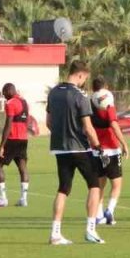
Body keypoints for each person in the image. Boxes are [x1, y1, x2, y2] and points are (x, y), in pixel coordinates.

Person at [46, 61, 104, 245]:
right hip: (79, 147)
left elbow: (48, 122)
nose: (84, 82)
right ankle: (90, 230)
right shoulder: (80, 95)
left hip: (59, 147)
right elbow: (88, 127)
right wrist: (98, 146)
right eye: (84, 78)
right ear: (80, 75)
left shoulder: (54, 92)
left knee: (64, 188)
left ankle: (55, 233)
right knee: (94, 185)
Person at [0, 83, 38, 208]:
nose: (3, 96)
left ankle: (2, 199)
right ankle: (23, 199)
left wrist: (2, 145)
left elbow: (8, 125)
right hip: (23, 139)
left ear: (8, 91)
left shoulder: (10, 103)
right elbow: (26, 121)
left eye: (4, 93)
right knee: (23, 167)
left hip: (12, 139)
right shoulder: (24, 102)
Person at [90, 78, 129, 225]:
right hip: (112, 149)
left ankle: (99, 216)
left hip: (96, 150)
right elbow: (114, 124)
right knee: (116, 184)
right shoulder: (108, 105)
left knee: (99, 184)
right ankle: (110, 211)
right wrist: (124, 143)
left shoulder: (89, 104)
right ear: (105, 88)